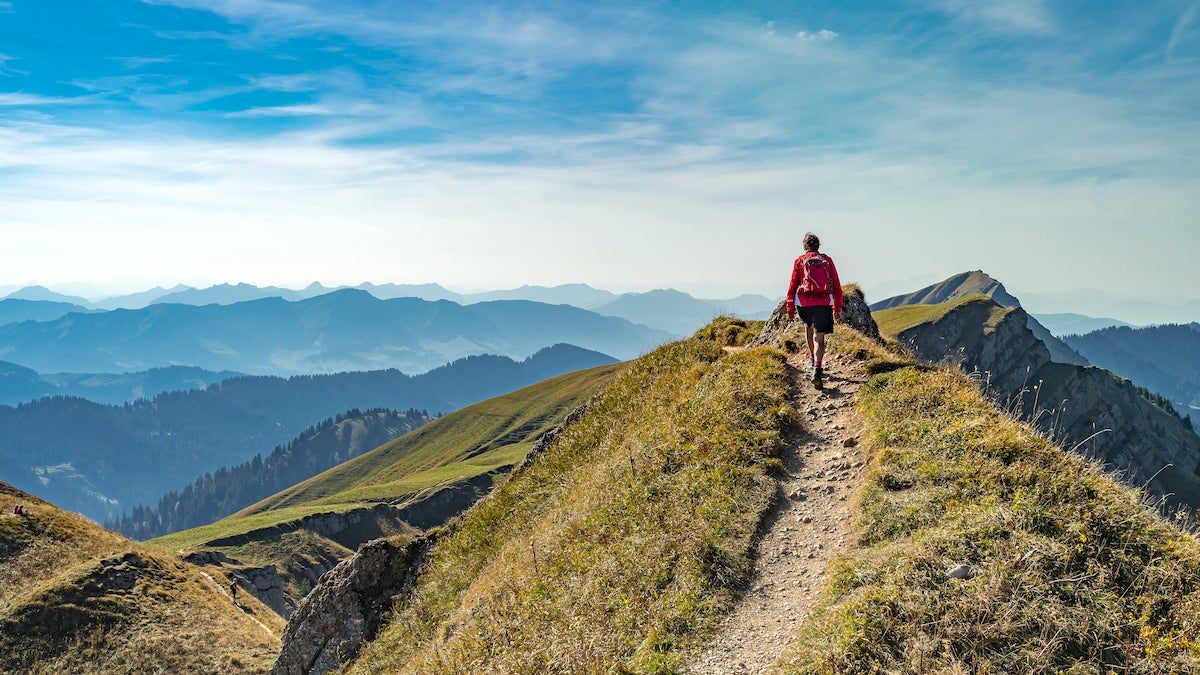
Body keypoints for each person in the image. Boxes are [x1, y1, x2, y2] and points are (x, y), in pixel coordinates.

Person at [785, 232, 843, 387]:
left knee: (808, 327)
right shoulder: (827, 260)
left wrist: (790, 307)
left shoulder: (800, 260)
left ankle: (812, 357)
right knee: (820, 337)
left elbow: (792, 285)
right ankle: (817, 368)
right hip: (824, 302)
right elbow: (836, 284)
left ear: (805, 246)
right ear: (818, 246)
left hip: (804, 303)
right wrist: (837, 308)